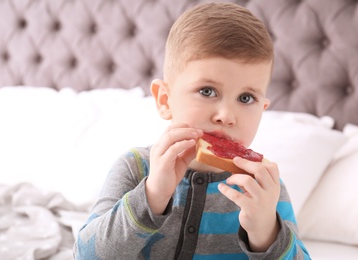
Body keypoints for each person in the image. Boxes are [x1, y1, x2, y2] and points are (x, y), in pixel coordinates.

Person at [74, 2, 310, 259]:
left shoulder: (265, 188)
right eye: (207, 91)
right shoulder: (135, 168)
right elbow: (86, 255)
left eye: (245, 98)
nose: (226, 116)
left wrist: (266, 233)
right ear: (165, 100)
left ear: (262, 109)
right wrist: (152, 196)